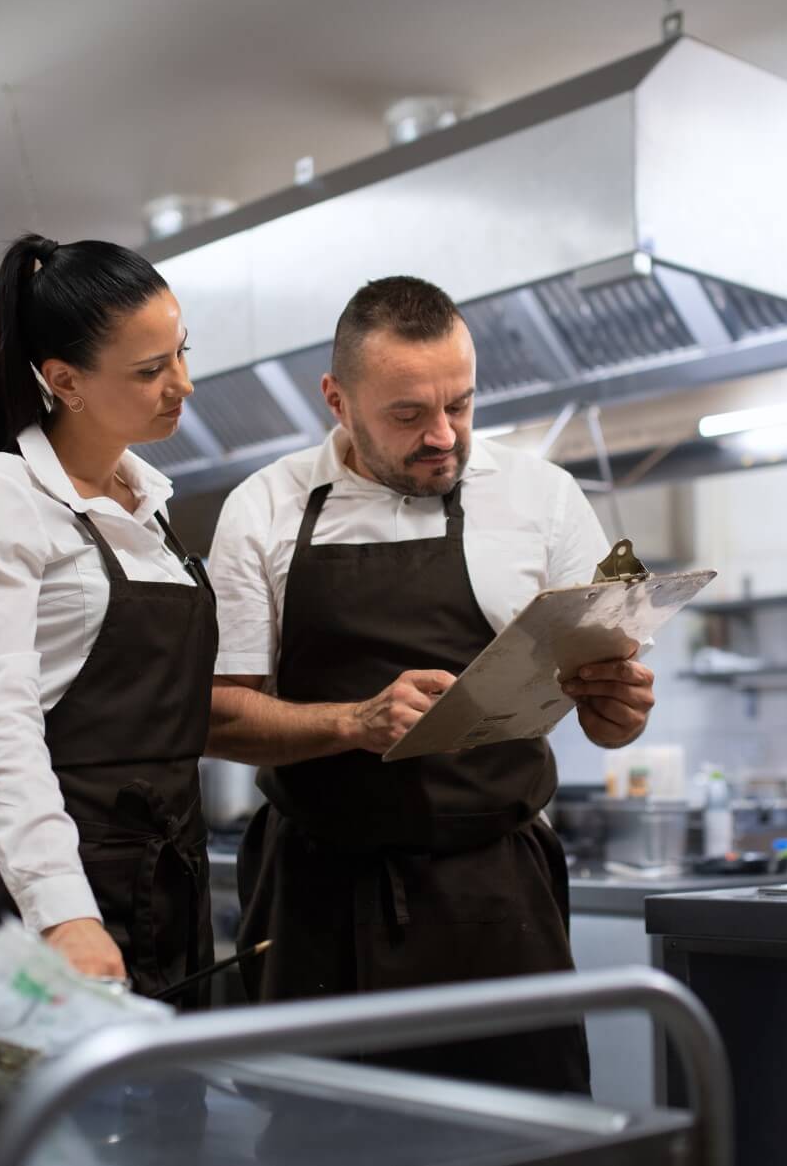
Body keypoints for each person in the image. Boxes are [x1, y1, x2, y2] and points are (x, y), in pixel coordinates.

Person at [208, 275, 657, 1092]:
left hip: (495, 893)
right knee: (324, 1141)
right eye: (408, 415)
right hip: (319, 893)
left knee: (530, 1137)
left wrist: (620, 708)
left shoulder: (541, 498)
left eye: (461, 404)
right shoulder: (264, 509)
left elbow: (608, 719)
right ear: (337, 400)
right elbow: (217, 716)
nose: (443, 435)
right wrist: (351, 722)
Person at [0, 234, 217, 1005]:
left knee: (173, 1123)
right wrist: (62, 914)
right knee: (48, 1125)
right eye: (151, 370)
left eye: (181, 353)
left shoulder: (150, 505)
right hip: (53, 912)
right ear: (65, 380)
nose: (182, 384)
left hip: (167, 898)